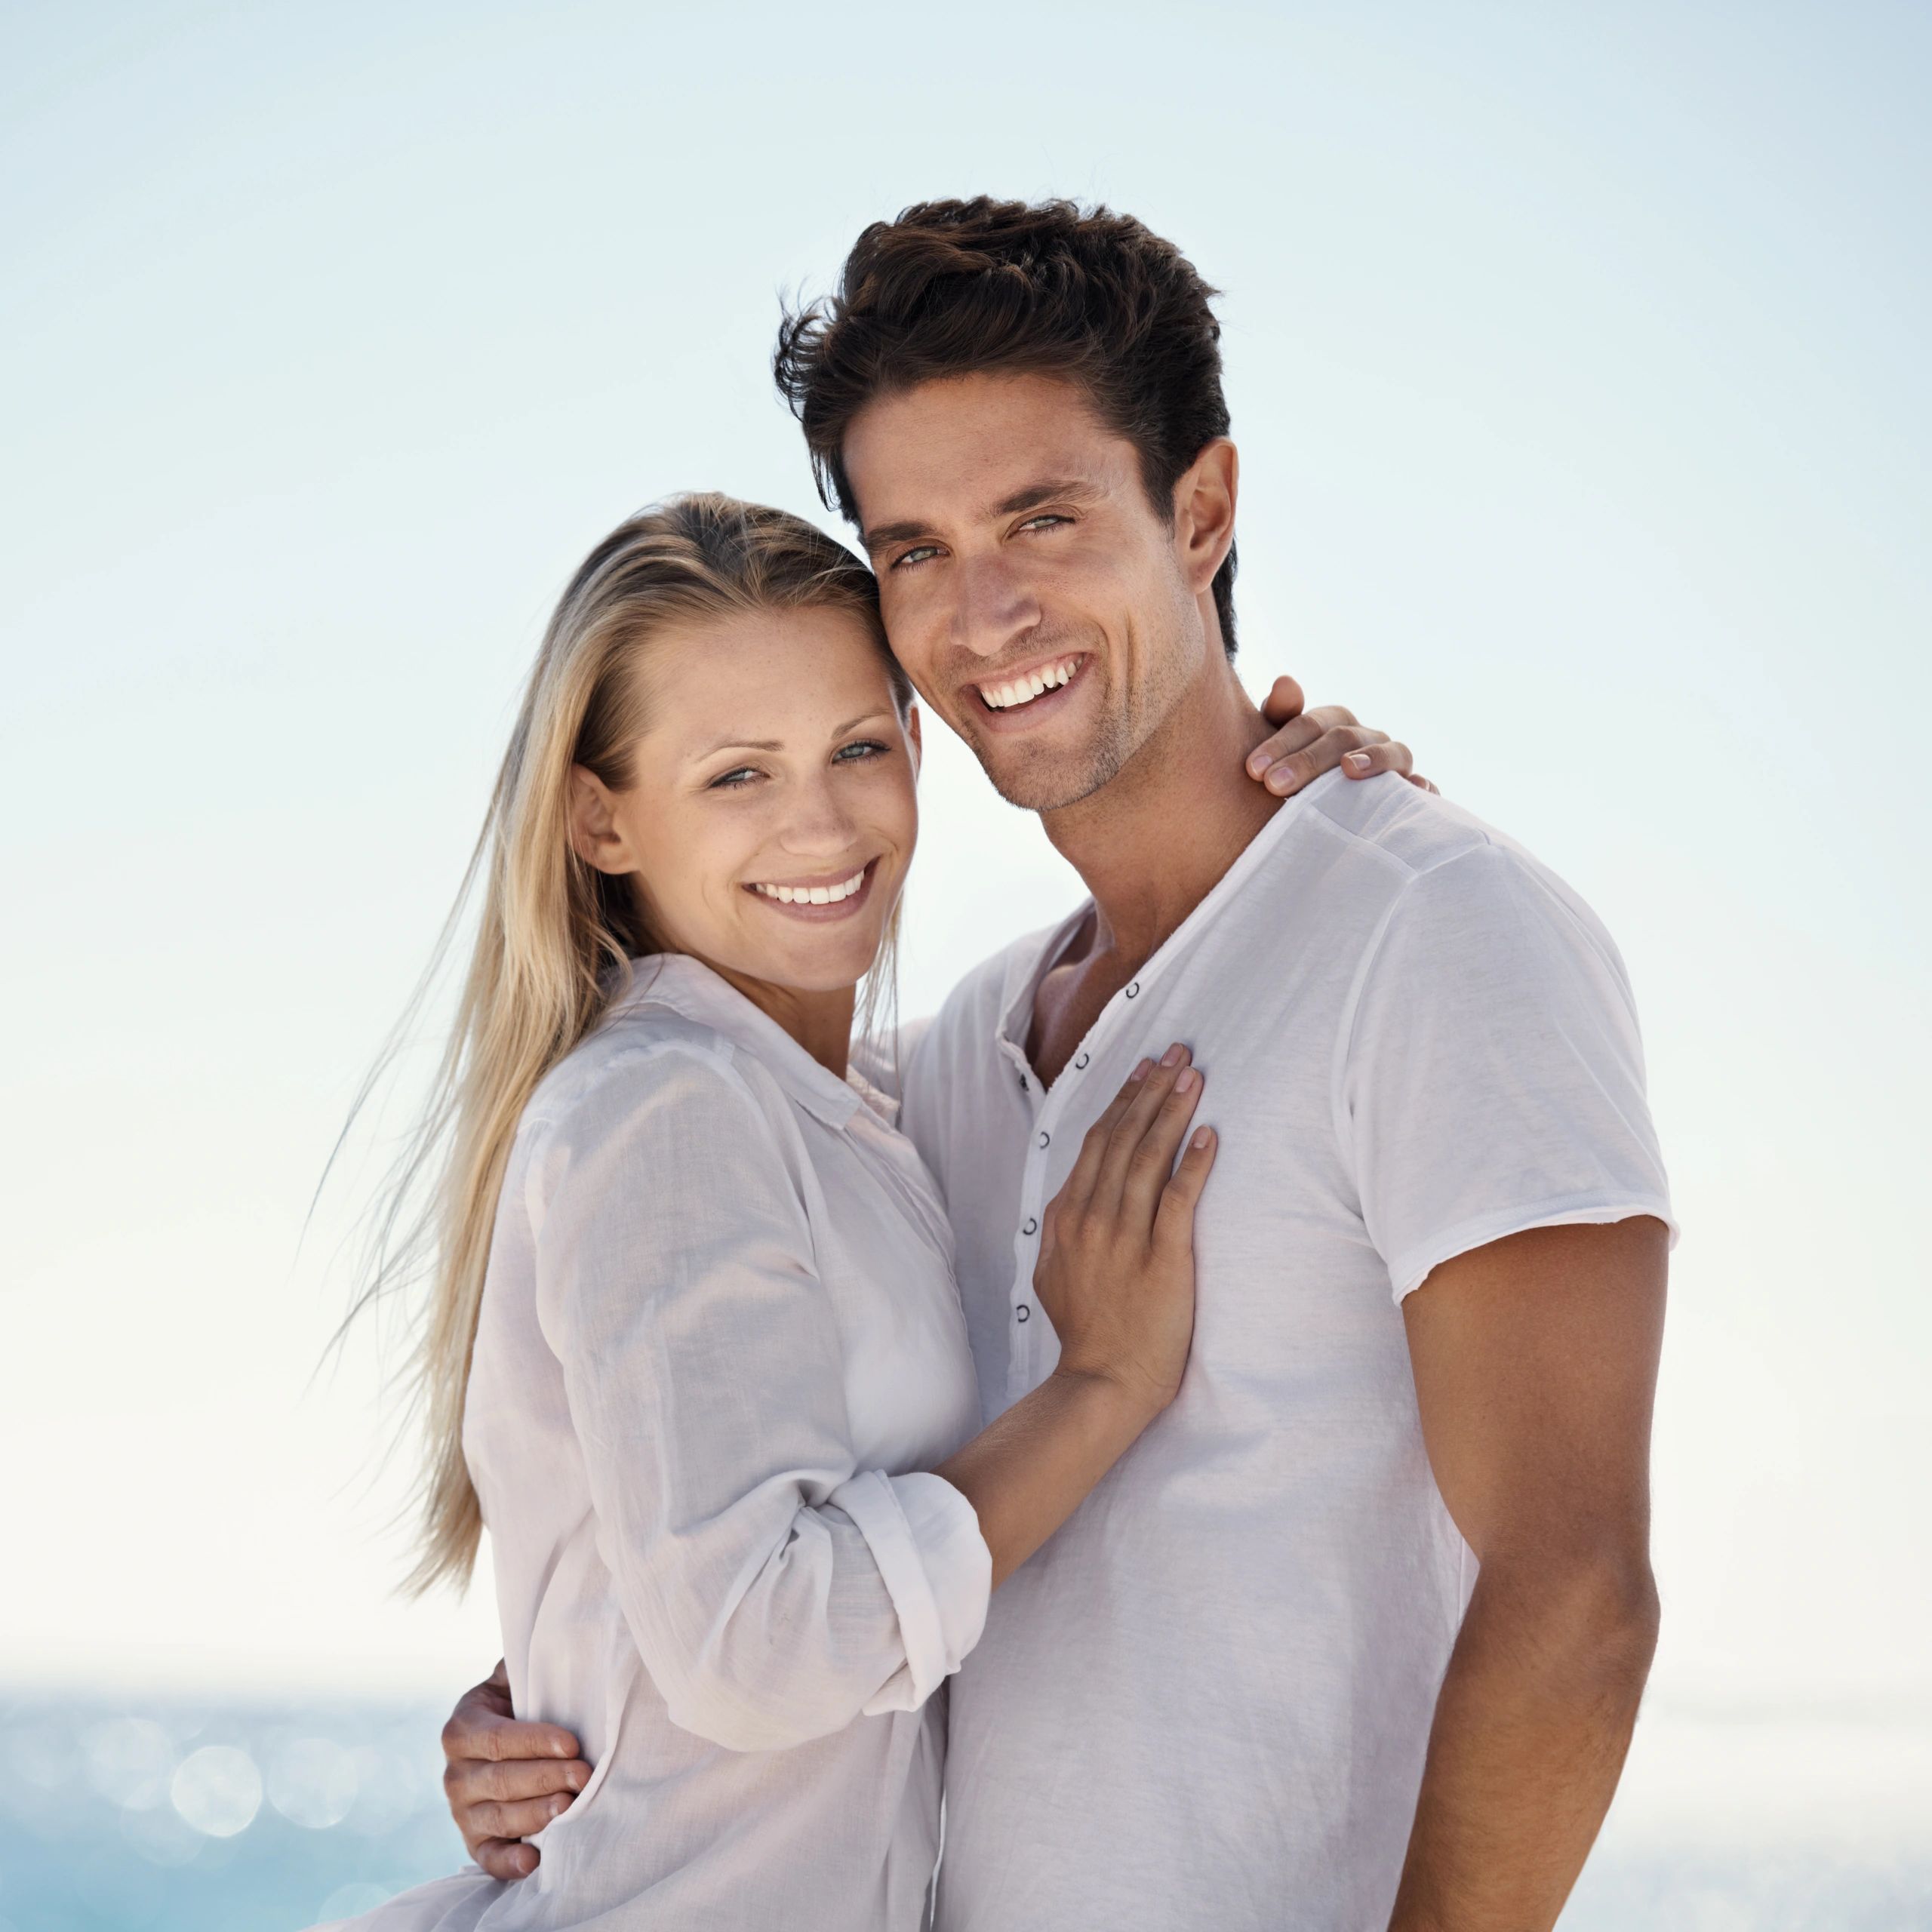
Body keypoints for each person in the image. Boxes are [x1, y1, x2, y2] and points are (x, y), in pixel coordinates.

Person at [444, 200, 1674, 1932]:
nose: (984, 606)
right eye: (916, 548)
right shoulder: (952, 1052)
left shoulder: (1437, 931)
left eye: (1043, 516)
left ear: (1200, 513)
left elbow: (1576, 1594)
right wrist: (556, 1714)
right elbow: (795, 1521)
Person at [326, 493, 1414, 1930]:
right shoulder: (668, 1108)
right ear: (600, 817)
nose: (820, 822)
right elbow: (759, 1651)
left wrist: (1314, 823)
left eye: (854, 747)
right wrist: (1100, 1387)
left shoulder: (856, 1109)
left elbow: (1117, 978)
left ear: (916, 748)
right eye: (736, 776)